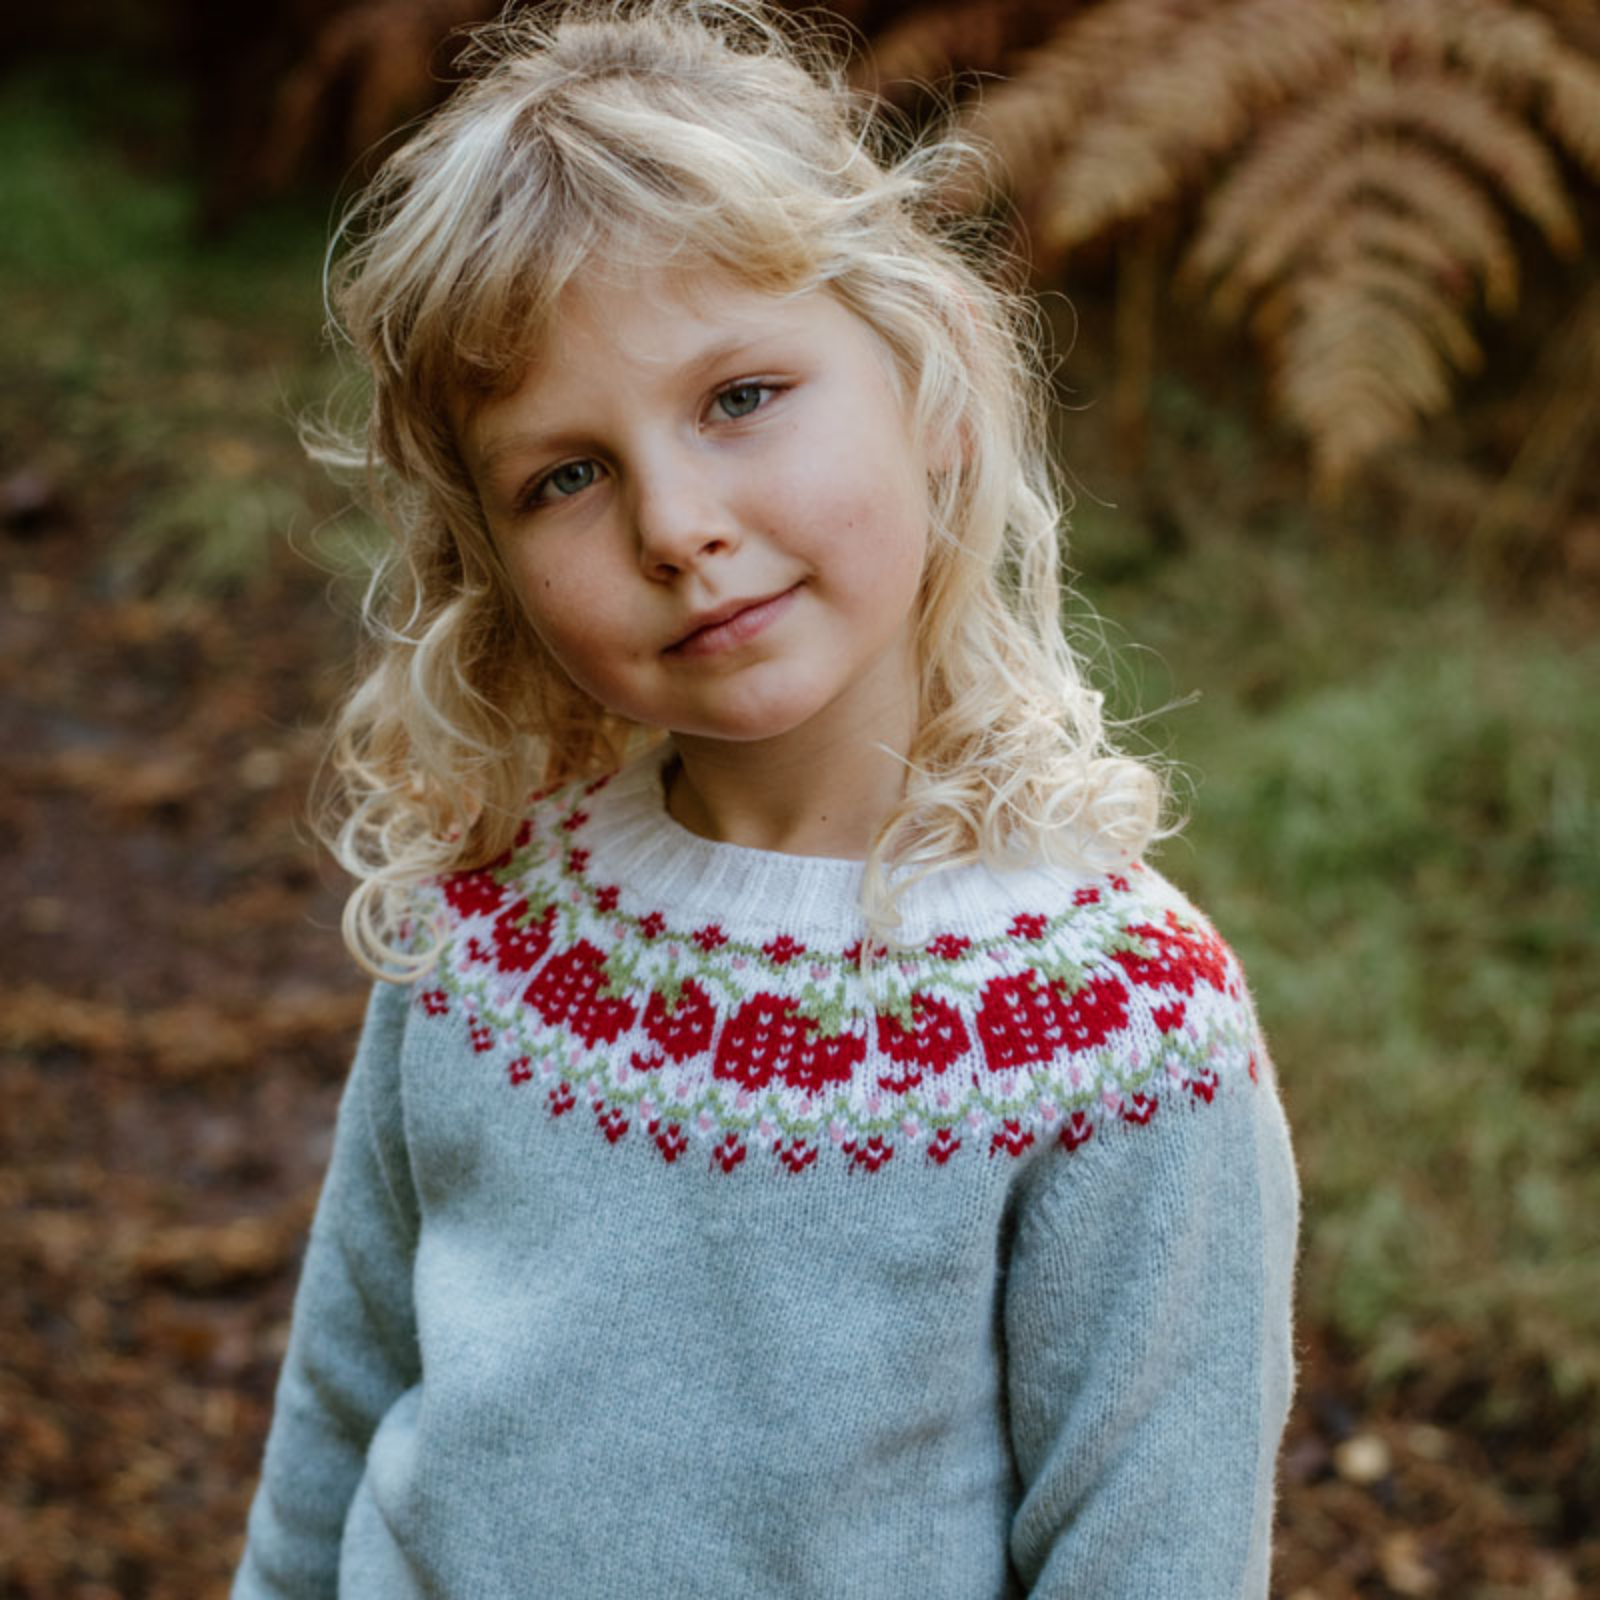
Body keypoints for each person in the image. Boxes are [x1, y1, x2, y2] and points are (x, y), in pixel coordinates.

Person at [233, 2, 1298, 1594]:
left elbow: (1154, 1553)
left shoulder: (1118, 1033)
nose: (677, 524)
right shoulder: (487, 915)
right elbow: (347, 1389)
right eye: (565, 477)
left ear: (928, 385)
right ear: (496, 568)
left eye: (741, 397)